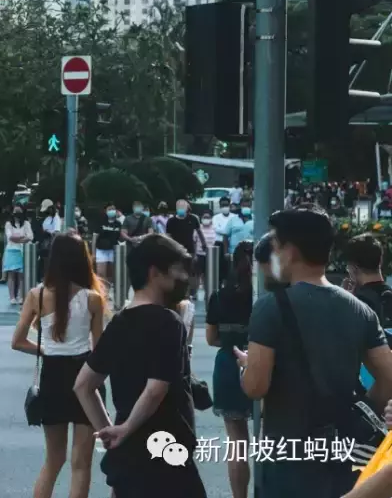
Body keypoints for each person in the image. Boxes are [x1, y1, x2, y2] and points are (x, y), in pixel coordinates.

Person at [234, 208, 392, 498]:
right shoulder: (360, 310)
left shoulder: (270, 307)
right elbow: (388, 378)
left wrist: (246, 367)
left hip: (288, 455)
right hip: (343, 452)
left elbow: (256, 387)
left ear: (291, 251)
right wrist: (361, 410)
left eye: (277, 245)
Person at [73, 234, 207, 498]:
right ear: (155, 273)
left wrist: (113, 432)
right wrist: (124, 430)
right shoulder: (168, 322)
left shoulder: (120, 321)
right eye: (178, 270)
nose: (184, 278)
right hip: (166, 445)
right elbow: (156, 388)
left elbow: (83, 385)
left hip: (129, 451)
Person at [11, 233, 106, 498]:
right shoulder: (92, 298)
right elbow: (100, 350)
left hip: (52, 375)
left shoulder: (37, 295)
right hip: (84, 376)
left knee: (54, 460)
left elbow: (17, 341)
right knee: (81, 463)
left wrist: (47, 351)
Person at [205, 241, 254, 498]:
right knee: (275, 437)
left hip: (228, 362)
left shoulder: (219, 295)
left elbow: (211, 338)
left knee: (237, 441)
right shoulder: (266, 296)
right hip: (264, 363)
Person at [165, 199, 208, 299]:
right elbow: (168, 236)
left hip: (189, 249)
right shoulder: (171, 221)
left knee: (190, 271)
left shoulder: (193, 219)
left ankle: (191, 292)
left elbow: (199, 232)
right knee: (178, 271)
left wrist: (204, 244)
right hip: (176, 250)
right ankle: (180, 292)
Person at [3, 206, 34, 305]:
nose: (17, 213)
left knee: (21, 275)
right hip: (11, 251)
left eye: (19, 211)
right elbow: (10, 237)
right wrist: (22, 237)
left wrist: (18, 239)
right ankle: (12, 297)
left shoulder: (26, 223)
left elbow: (30, 236)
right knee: (11, 274)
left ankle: (21, 296)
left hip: (23, 251)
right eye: (15, 211)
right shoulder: (8, 224)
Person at [93, 204, 122, 288]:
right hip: (101, 250)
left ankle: (108, 290)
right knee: (101, 273)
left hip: (112, 250)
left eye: (113, 209)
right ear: (106, 212)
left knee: (110, 273)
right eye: (109, 209)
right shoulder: (101, 222)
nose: (111, 211)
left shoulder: (118, 224)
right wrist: (94, 253)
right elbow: (95, 238)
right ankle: (101, 290)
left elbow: (120, 238)